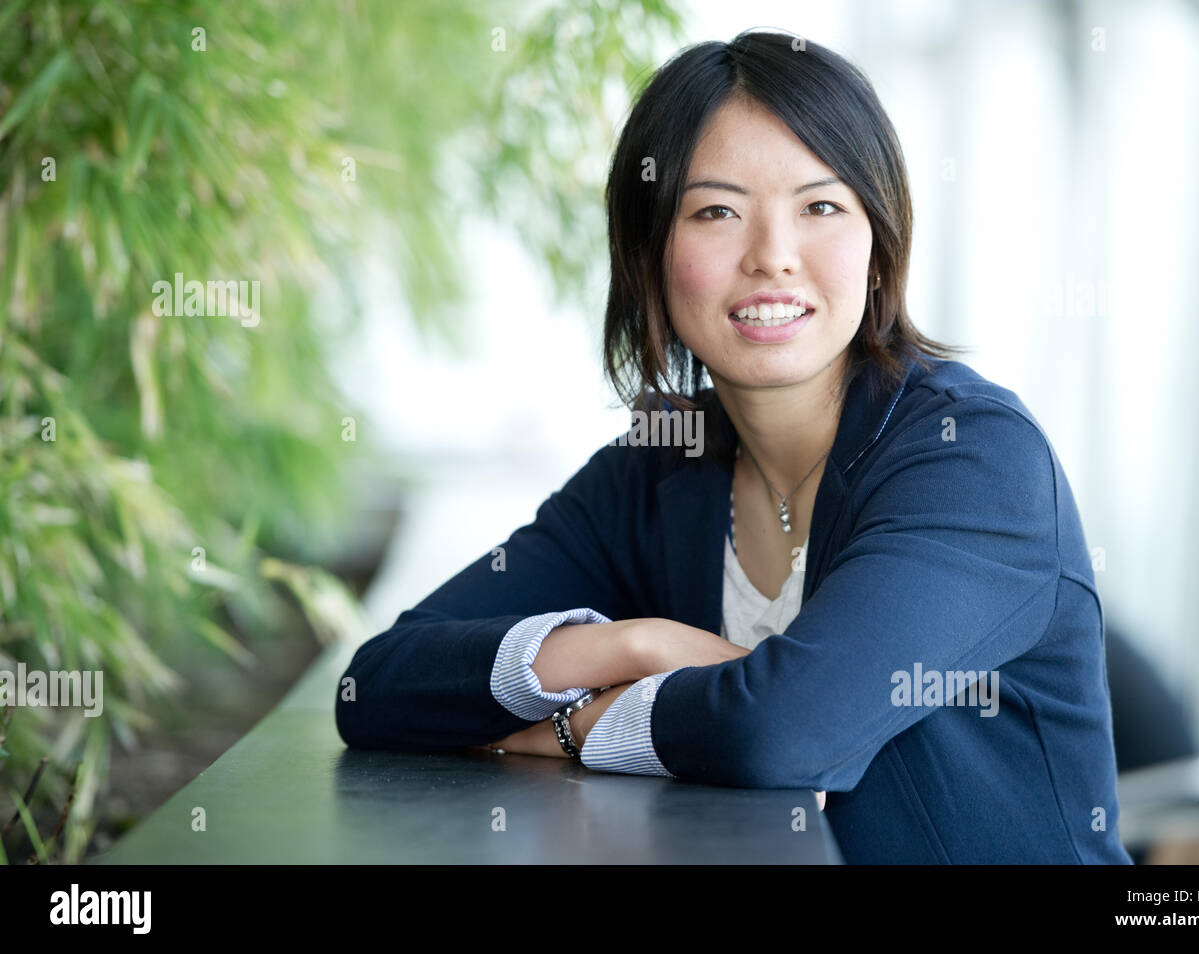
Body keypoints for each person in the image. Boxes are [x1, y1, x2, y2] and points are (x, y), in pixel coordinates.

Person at [335, 29, 1132, 865]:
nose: (773, 259)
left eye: (820, 207)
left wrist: (576, 727)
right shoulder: (659, 468)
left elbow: (782, 732)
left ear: (877, 241)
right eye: (717, 211)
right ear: (649, 255)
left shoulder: (972, 459)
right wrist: (636, 644)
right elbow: (379, 686)